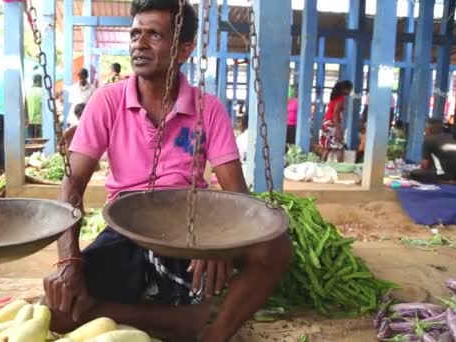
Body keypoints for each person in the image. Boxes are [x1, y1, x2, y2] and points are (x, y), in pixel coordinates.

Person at [42, 1, 292, 341]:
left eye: (154, 35)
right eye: (135, 34)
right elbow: (72, 187)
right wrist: (68, 262)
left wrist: (218, 244)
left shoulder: (209, 109)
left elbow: (238, 197)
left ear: (184, 50)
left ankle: (213, 334)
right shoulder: (107, 101)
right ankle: (182, 321)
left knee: (273, 248)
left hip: (193, 226)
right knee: (56, 311)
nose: (139, 44)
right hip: (127, 228)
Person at [409, 119, 456, 183]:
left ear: (429, 129)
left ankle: (443, 180)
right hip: (455, 176)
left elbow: (425, 165)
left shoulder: (429, 140)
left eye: (425, 129)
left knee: (413, 173)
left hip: (443, 175)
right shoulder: (452, 138)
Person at [320, 80, 353, 162]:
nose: (350, 92)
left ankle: (321, 166)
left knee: (327, 148)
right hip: (332, 124)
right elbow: (335, 114)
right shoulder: (340, 98)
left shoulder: (334, 97)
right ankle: (339, 168)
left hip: (326, 123)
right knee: (340, 147)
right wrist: (338, 130)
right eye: (349, 89)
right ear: (344, 89)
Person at [26, 74, 43, 138]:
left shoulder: (28, 91)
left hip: (29, 121)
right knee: (40, 143)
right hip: (40, 121)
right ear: (40, 81)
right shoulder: (42, 91)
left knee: (30, 142)